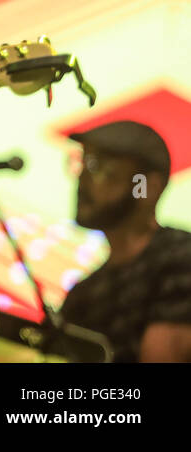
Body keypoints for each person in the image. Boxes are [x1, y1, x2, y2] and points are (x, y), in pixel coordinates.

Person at [59, 120, 191, 361]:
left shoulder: (181, 256)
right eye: (82, 163)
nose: (83, 179)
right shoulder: (82, 296)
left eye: (99, 167)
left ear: (146, 188)